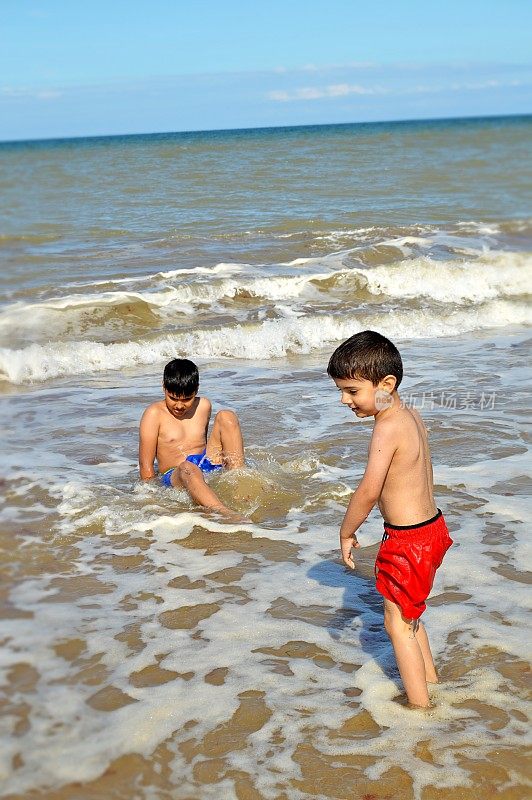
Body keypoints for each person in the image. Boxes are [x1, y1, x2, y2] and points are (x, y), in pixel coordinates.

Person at [327, 330, 453, 708]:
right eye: (341, 391)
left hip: (408, 540)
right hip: (431, 530)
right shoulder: (409, 414)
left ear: (386, 384)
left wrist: (347, 531)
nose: (344, 400)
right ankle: (432, 684)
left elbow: (369, 488)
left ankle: (421, 710)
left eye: (351, 390)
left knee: (396, 624)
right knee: (410, 614)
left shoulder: (386, 425)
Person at [139, 358, 245, 517]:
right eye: (173, 398)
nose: (179, 406)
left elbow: (203, 441)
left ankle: (240, 484)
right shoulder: (154, 414)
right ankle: (223, 512)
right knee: (188, 467)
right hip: (177, 473)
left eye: (186, 399)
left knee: (227, 416)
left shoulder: (204, 405)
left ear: (196, 390)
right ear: (164, 387)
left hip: (204, 463)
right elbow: (145, 468)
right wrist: (153, 497)